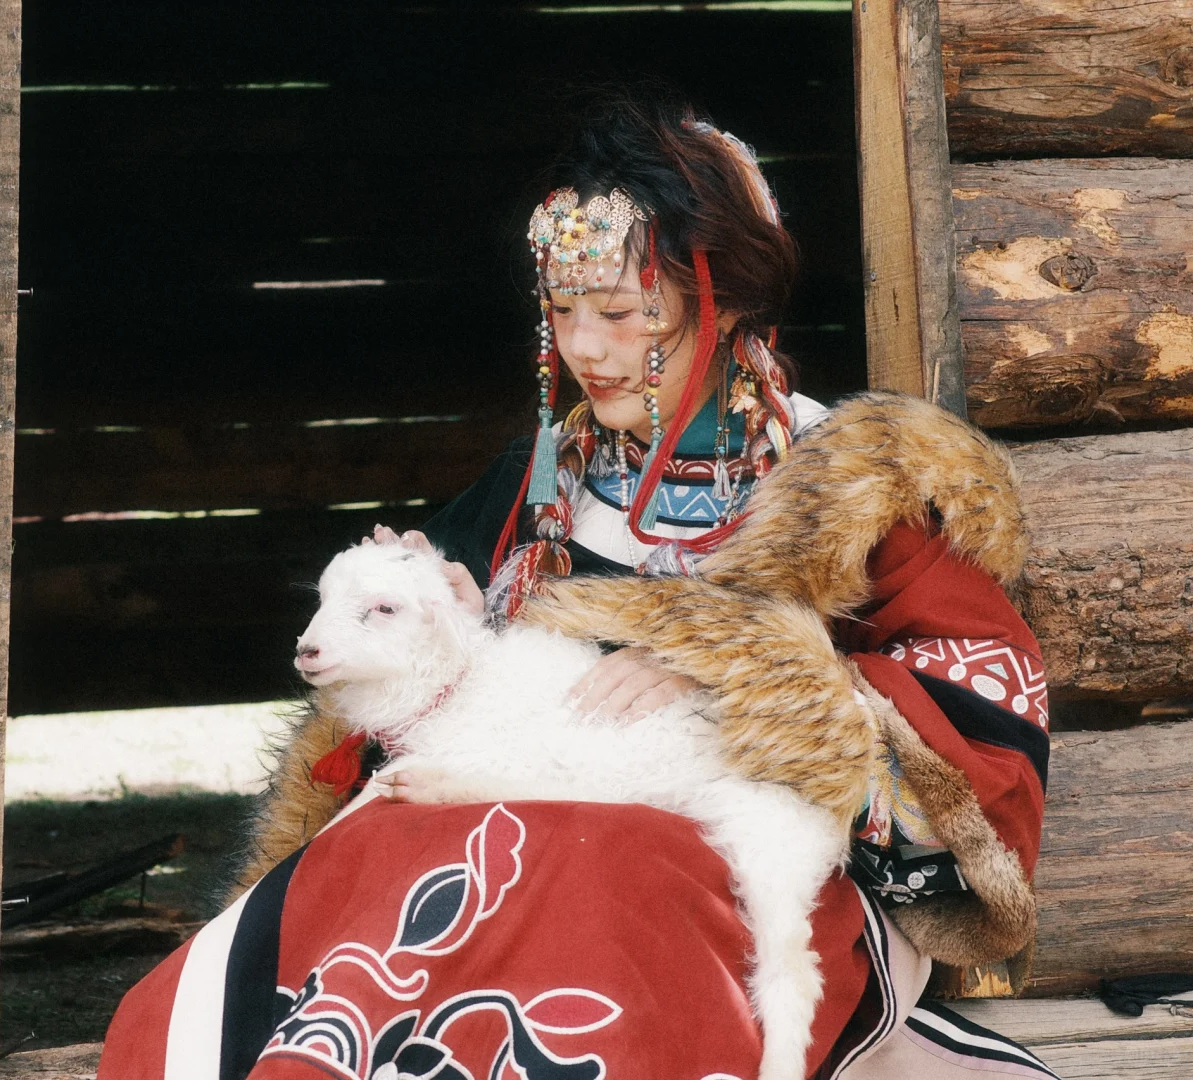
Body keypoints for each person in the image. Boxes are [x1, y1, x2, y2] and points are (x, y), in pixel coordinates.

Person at [98, 91, 1055, 1080]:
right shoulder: (541, 481)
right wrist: (440, 632)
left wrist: (752, 677)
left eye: (623, 315)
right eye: (562, 312)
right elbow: (425, 707)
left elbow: (988, 713)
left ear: (725, 305)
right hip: (517, 826)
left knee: (592, 872)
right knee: (386, 851)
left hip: (750, 857)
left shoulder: (851, 485)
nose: (584, 349)